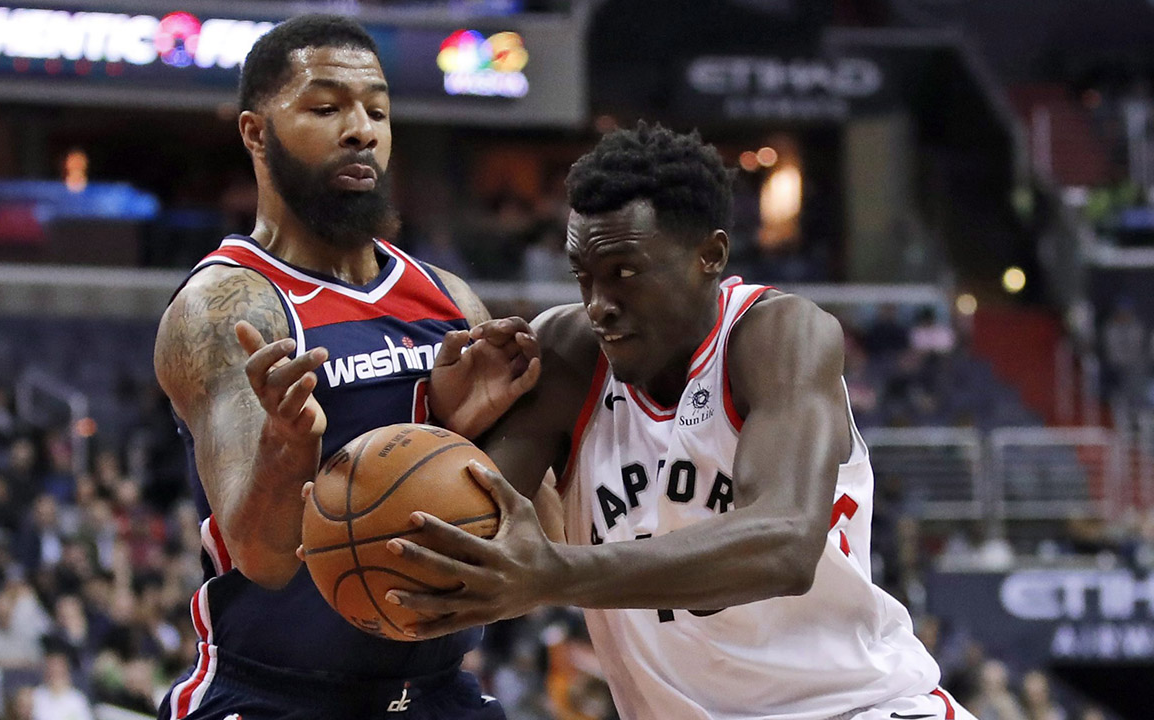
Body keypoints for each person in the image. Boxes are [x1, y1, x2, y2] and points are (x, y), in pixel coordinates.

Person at [378, 124, 978, 720]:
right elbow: (467, 555)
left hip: (857, 707)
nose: (599, 305)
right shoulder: (567, 354)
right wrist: (452, 424)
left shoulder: (776, 336)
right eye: (584, 277)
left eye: (625, 273)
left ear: (709, 256)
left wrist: (555, 574)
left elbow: (785, 545)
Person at [152, 14, 538, 720]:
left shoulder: (450, 299)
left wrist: (467, 429)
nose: (361, 130)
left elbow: (525, 538)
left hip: (438, 690)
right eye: (327, 108)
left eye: (377, 112)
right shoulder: (227, 306)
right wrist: (286, 448)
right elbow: (262, 558)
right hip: (271, 697)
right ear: (256, 133)